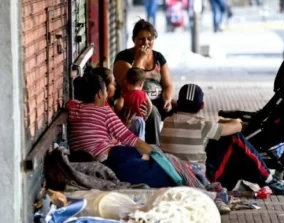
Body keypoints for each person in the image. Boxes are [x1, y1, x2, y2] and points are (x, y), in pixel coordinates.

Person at [67, 67, 232, 214]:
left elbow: (72, 106)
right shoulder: (104, 111)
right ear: (99, 94)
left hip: (98, 159)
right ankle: (207, 191)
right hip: (113, 160)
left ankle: (200, 183)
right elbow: (131, 139)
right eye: (104, 91)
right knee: (167, 162)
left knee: (165, 158)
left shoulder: (74, 108)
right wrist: (155, 152)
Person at [160, 84, 284, 195]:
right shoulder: (203, 126)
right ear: (202, 105)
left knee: (217, 142)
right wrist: (234, 120)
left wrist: (219, 123)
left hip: (171, 175)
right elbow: (236, 128)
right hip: (198, 181)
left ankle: (257, 179)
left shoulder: (167, 122)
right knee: (234, 139)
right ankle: (269, 179)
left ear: (178, 103)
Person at [113, 19, 176, 146]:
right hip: (133, 102)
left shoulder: (158, 58)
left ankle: (176, 148)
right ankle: (154, 150)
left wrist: (167, 99)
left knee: (183, 107)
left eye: (150, 38)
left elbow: (168, 85)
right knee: (151, 111)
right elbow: (128, 83)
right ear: (134, 39)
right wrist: (140, 58)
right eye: (141, 39)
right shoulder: (123, 57)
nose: (146, 43)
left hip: (157, 100)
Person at [116, 68, 152, 140]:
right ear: (142, 83)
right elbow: (150, 105)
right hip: (140, 120)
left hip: (128, 120)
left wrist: (121, 114)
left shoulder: (125, 95)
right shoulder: (143, 94)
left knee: (129, 139)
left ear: (127, 82)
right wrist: (147, 115)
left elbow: (119, 106)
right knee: (140, 140)